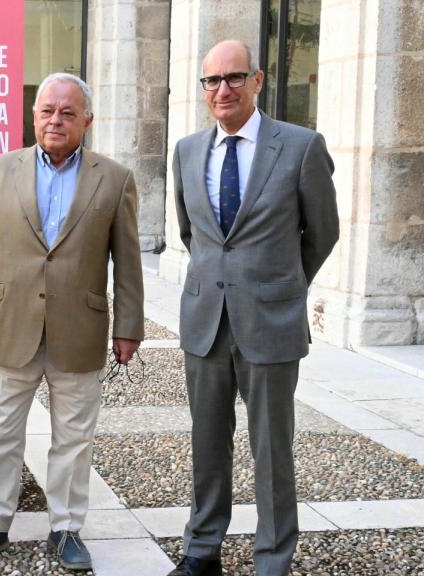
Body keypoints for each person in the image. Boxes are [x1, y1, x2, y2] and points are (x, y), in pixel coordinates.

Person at [0, 73, 144, 571]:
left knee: (74, 438)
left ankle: (66, 529)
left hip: (80, 328)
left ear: (87, 121)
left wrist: (129, 327)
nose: (55, 120)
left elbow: (128, 260)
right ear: (33, 116)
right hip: (12, 325)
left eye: (67, 113)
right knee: (1, 432)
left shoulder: (115, 178)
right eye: (46, 111)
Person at [168, 40, 339, 576]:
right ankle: (202, 550)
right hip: (205, 323)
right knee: (206, 444)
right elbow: (192, 233)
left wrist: (281, 285)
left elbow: (323, 234)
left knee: (272, 451)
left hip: (270, 321)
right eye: (211, 81)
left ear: (258, 81)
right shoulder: (188, 150)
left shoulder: (301, 146)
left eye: (234, 77)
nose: (222, 90)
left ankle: (272, 559)